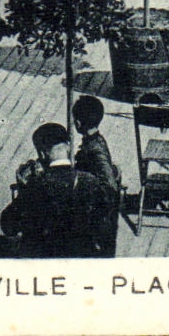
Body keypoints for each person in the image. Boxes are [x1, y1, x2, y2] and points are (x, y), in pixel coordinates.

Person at [0, 122, 115, 257]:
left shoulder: (36, 185)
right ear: (68, 147)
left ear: (42, 154)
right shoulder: (90, 181)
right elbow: (104, 227)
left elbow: (8, 226)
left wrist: (23, 189)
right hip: (82, 258)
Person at [70, 94, 121, 255]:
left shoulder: (95, 148)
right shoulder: (93, 141)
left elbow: (110, 185)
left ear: (78, 123)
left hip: (96, 212)